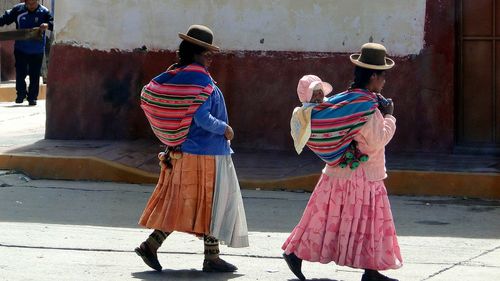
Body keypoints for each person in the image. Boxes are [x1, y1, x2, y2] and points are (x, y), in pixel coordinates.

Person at [283, 43, 403, 281]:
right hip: (363, 176)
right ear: (373, 76)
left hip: (337, 173)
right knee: (370, 222)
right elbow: (376, 140)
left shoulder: (346, 99)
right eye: (383, 75)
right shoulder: (368, 107)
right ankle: (370, 270)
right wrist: (390, 115)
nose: (384, 81)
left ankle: (296, 253)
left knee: (323, 218)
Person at [136, 24, 249, 273]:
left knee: (186, 204)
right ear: (199, 53)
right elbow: (202, 117)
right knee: (209, 204)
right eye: (208, 53)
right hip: (206, 153)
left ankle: (157, 247)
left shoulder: (176, 74)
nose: (211, 58)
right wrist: (225, 129)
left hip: (187, 151)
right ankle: (208, 257)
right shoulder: (200, 79)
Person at [0, 0, 53, 106]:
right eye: (28, 3)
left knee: (34, 74)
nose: (31, 6)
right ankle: (20, 95)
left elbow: (53, 23)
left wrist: (47, 25)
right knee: (20, 73)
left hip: (37, 49)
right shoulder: (18, 10)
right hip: (21, 48)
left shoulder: (44, 12)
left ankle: (32, 98)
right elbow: (4, 19)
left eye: (33, 3)